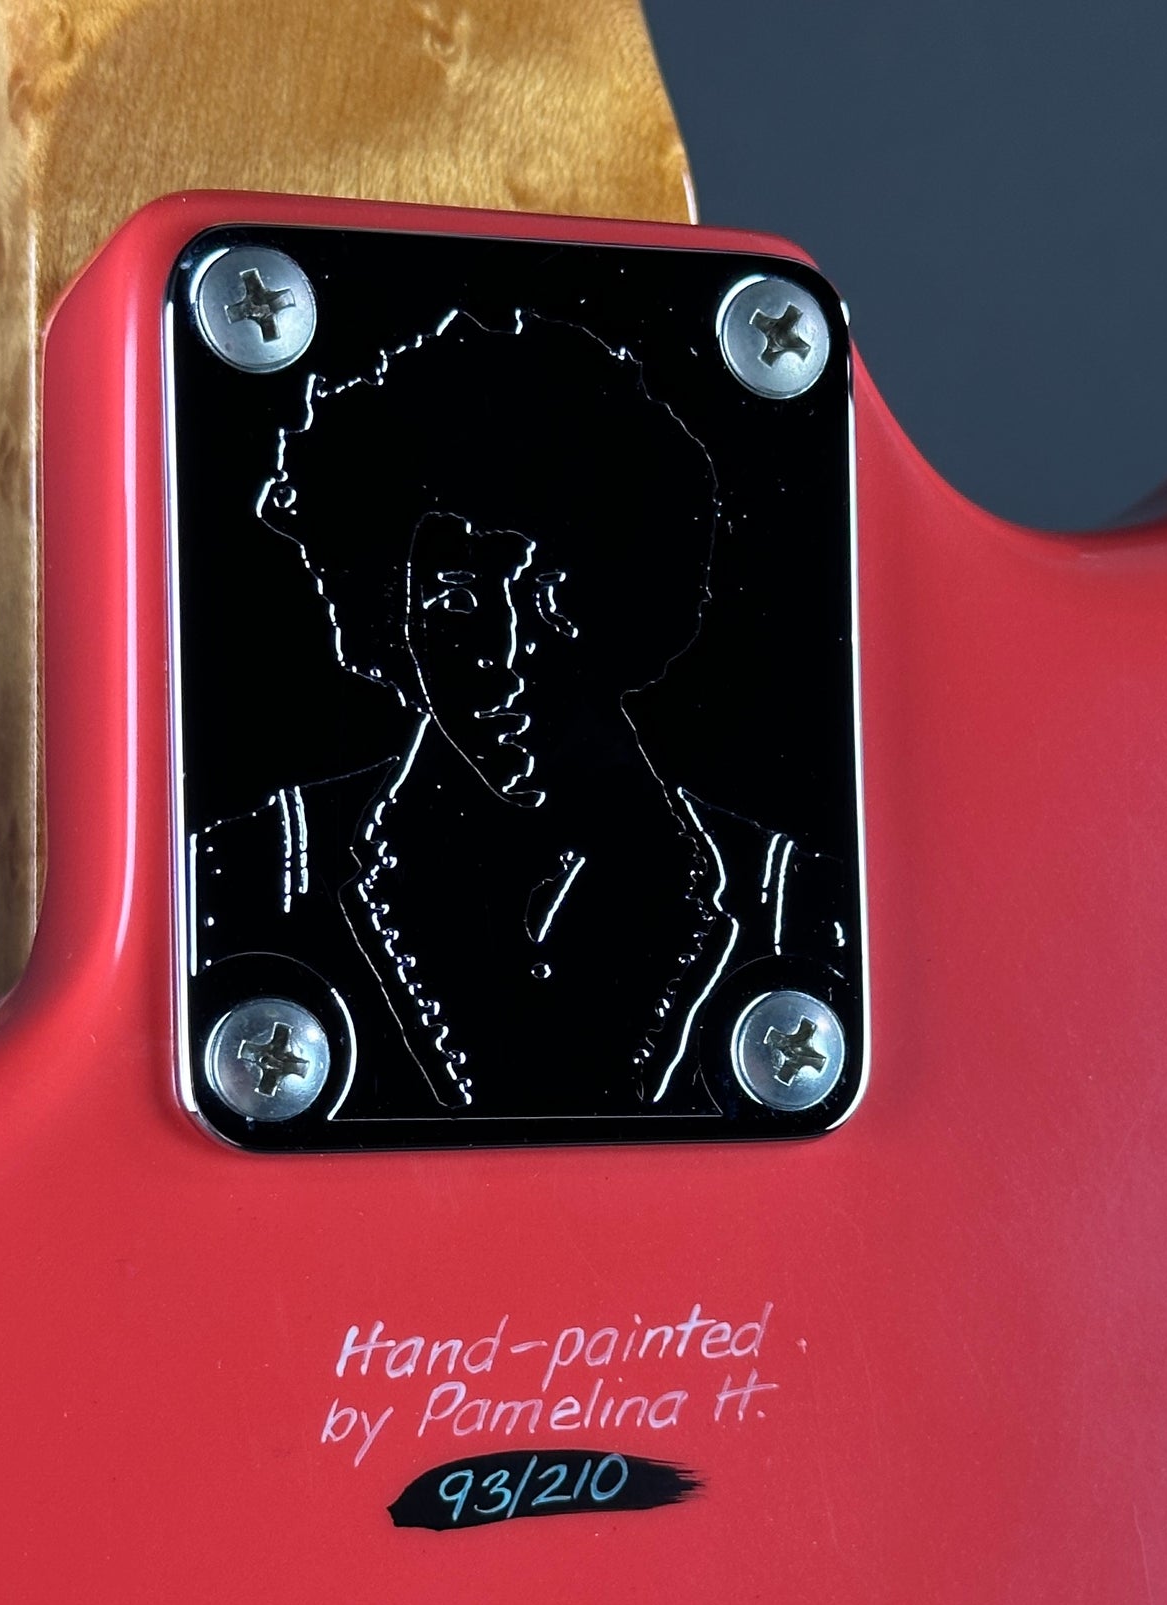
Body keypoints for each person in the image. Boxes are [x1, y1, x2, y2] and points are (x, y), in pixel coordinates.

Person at [193, 310, 849, 1116]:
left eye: (549, 592)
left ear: (630, 586)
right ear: (385, 616)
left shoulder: (790, 906)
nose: (503, 653)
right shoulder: (249, 880)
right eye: (455, 599)